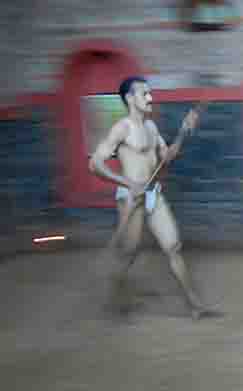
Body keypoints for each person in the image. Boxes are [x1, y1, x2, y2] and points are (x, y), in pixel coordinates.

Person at [89, 76, 220, 319]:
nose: (150, 98)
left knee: (173, 247)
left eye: (150, 93)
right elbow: (95, 164)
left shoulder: (151, 127)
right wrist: (128, 183)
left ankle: (195, 306)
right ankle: (115, 300)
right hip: (131, 198)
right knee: (129, 253)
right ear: (130, 98)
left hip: (153, 195)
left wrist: (183, 131)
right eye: (144, 94)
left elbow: (167, 157)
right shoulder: (122, 128)